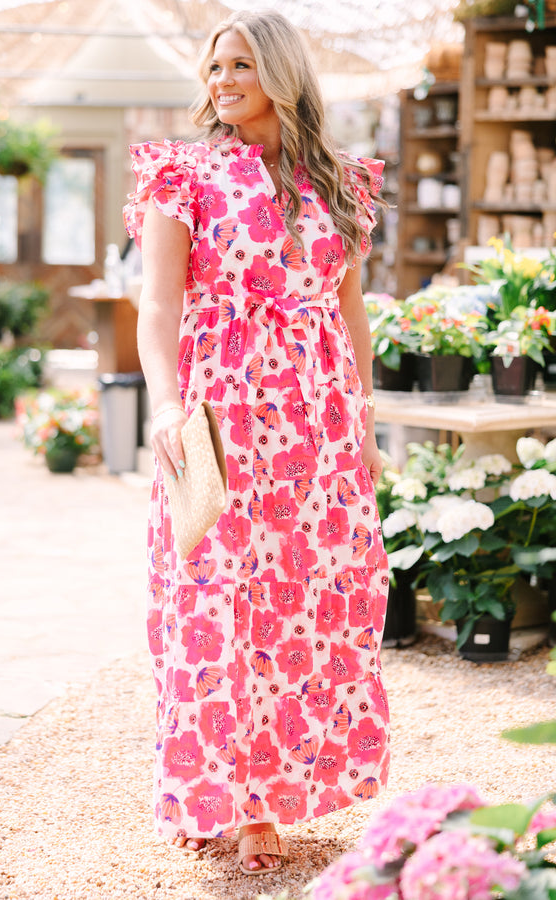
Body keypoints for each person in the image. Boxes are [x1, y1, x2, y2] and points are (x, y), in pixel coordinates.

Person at [123, 9, 390, 877]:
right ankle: (227, 798)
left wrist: (365, 422)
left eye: (240, 64)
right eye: (214, 67)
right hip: (221, 418)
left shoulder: (341, 184)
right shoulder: (184, 174)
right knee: (215, 605)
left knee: (305, 606)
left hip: (315, 428)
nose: (222, 80)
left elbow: (350, 314)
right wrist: (165, 407)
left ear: (280, 71)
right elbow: (157, 306)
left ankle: (276, 793)